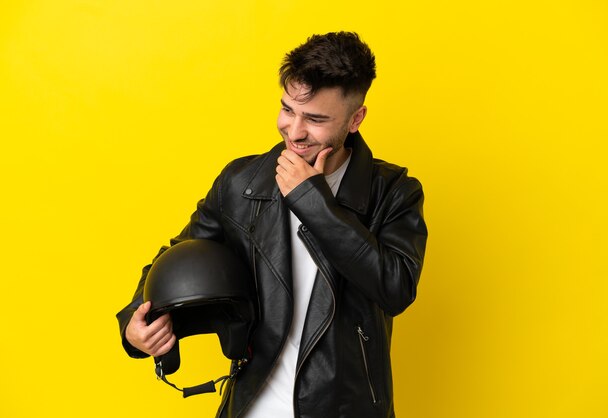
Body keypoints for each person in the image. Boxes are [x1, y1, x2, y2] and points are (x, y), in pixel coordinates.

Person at [117, 31, 427, 418]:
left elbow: (395, 288)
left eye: (315, 119)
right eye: (287, 110)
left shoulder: (394, 192)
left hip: (345, 408)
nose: (294, 132)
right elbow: (179, 253)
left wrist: (312, 201)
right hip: (251, 406)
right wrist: (135, 321)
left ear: (355, 119)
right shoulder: (241, 182)